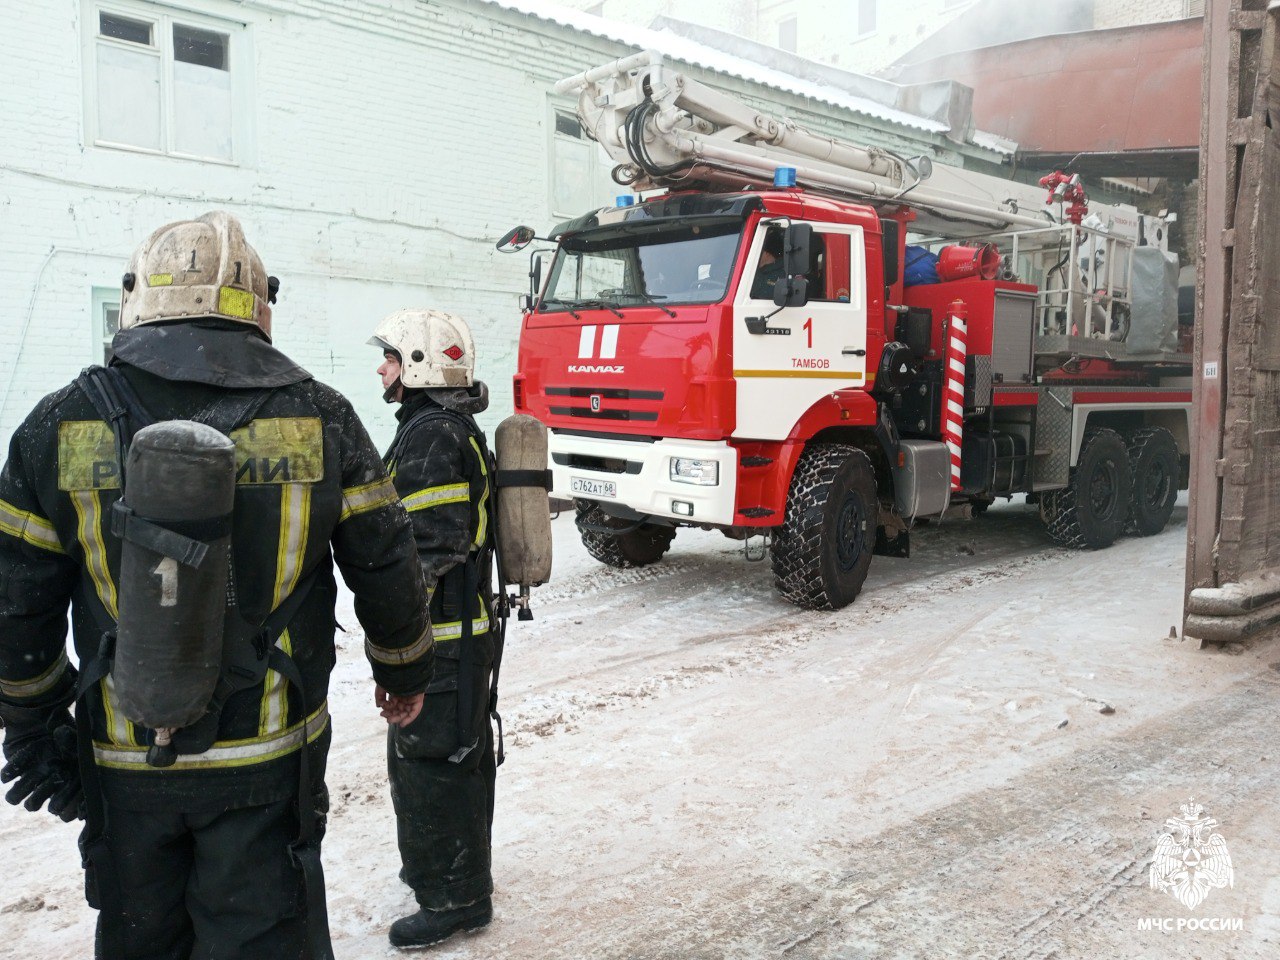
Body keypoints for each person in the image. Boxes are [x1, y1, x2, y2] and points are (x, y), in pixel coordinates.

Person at [0, 211, 433, 959]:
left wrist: (35, 724)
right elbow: (386, 561)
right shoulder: (322, 416)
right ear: (259, 304)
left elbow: (16, 602)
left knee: (141, 940)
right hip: (268, 763)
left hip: (123, 761)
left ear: (138, 297)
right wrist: (405, 669)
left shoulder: (59, 424)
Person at [369, 308, 499, 949]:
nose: (382, 368)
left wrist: (400, 648)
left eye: (391, 356)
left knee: (433, 760)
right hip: (458, 636)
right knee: (454, 754)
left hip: (444, 637)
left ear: (419, 362)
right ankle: (447, 870)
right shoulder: (440, 429)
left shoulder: (431, 438)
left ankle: (457, 899)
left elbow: (424, 549)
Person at [750, 226, 787, 299]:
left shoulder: (784, 275)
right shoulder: (750, 269)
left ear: (767, 253)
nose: (753, 252)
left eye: (759, 250)